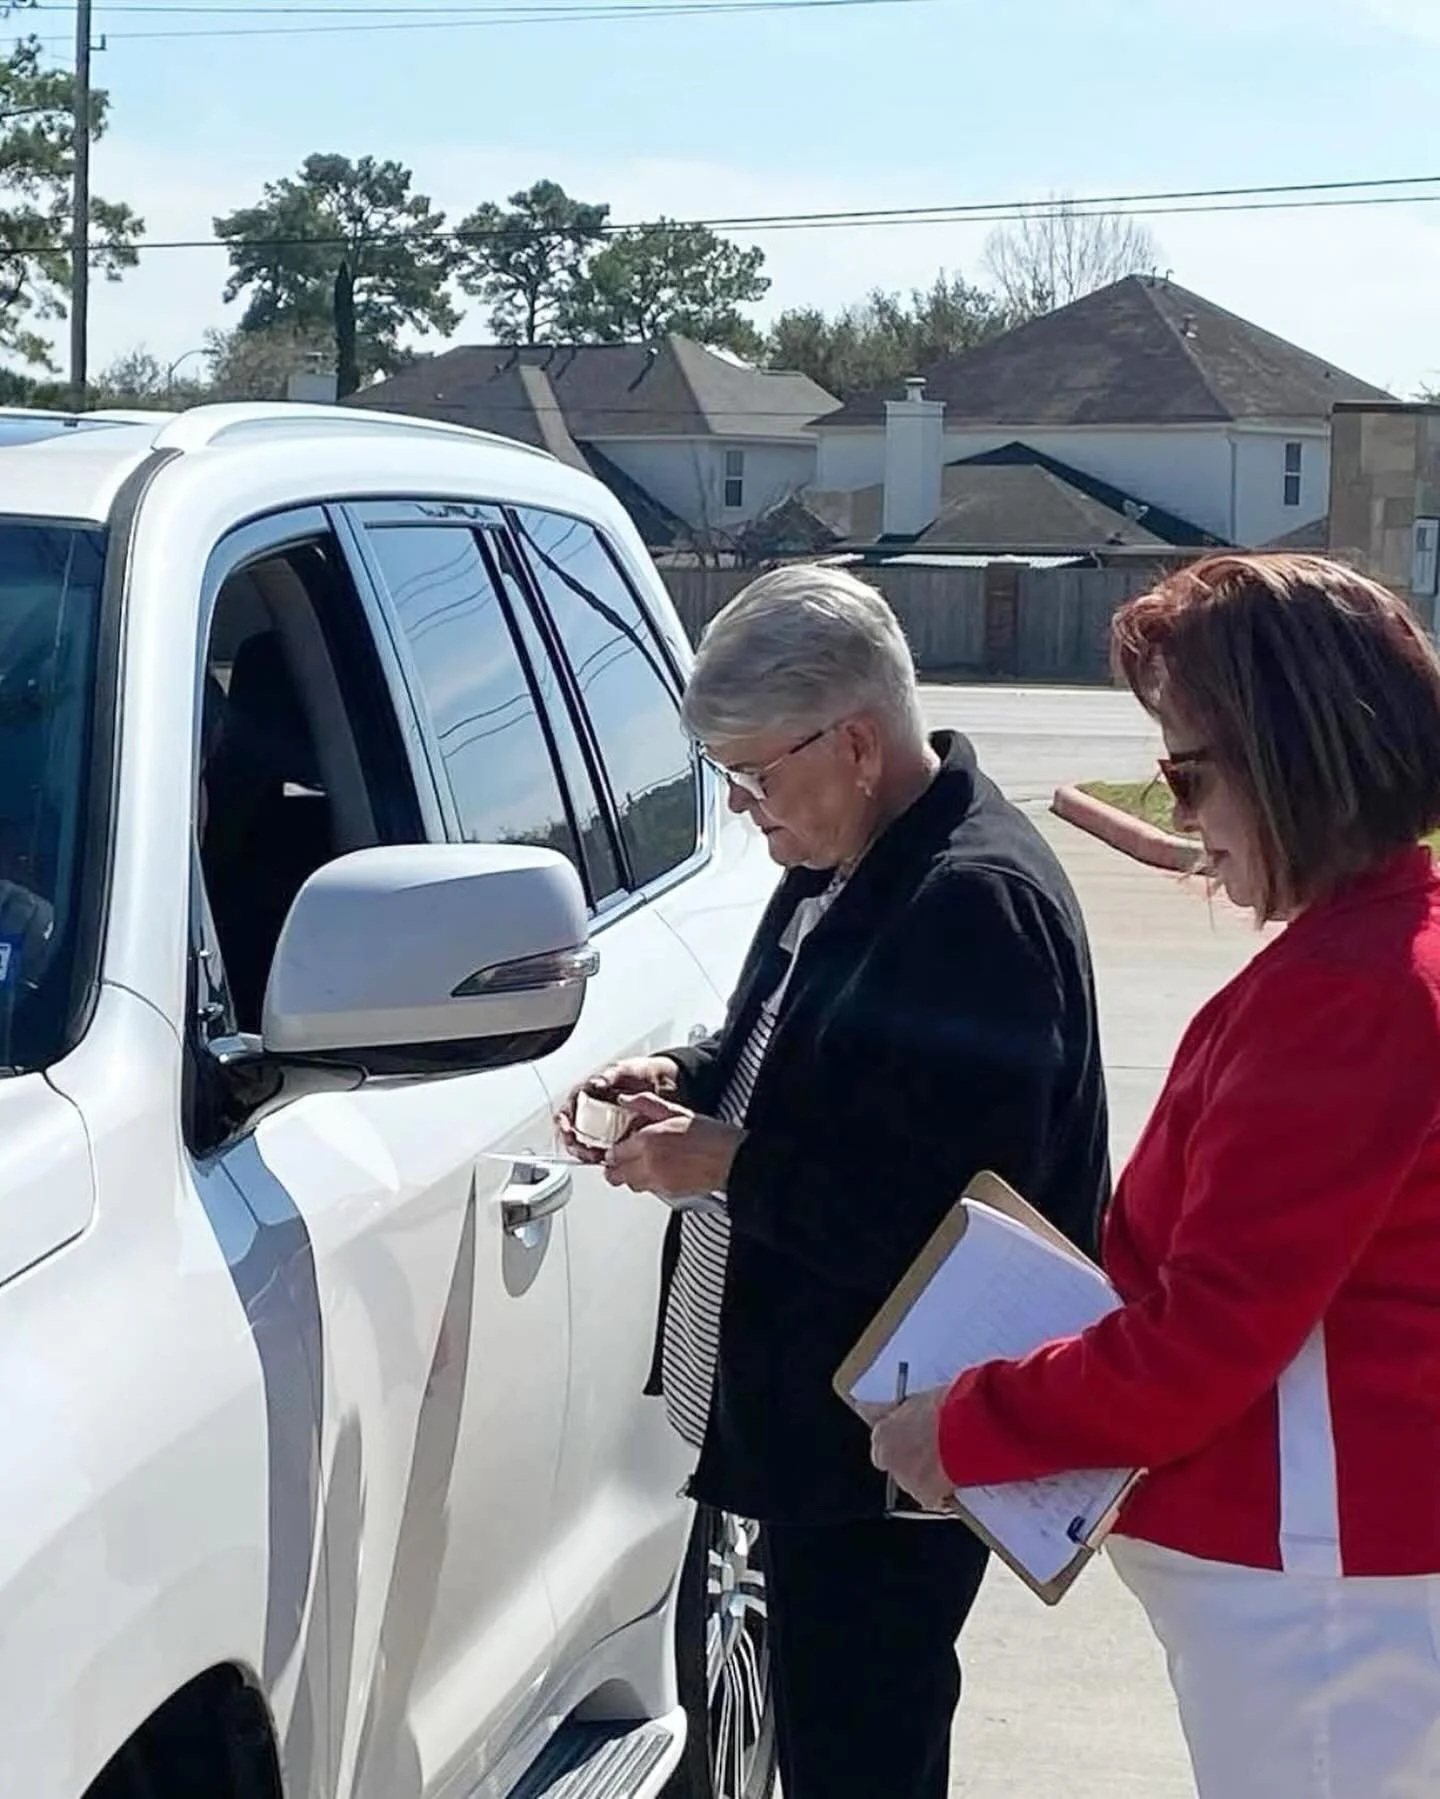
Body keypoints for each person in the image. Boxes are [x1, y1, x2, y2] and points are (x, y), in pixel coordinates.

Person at [871, 552, 1440, 1799]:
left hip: (1322, 1589)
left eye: (1188, 771)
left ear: (1294, 759)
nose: (1181, 814)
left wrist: (969, 1423)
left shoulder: (1348, 997)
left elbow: (1211, 1337)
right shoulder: (1377, 957)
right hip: (1335, 1577)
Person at [559, 564, 1110, 1799]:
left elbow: (963, 1225)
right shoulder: (848, 853)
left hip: (880, 1460)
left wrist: (733, 1163)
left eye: (756, 776)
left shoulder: (973, 903)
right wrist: (692, 1070)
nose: (746, 809)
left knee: (857, 1747)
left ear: (854, 741)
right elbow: (817, 1058)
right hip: (791, 1432)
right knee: (764, 1736)